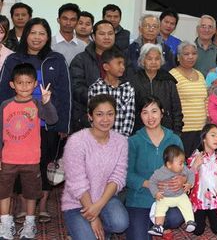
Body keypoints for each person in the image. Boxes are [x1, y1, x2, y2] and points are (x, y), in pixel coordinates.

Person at [0, 17, 71, 224]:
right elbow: (4, 90)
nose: (37, 37)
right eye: (33, 32)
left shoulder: (56, 59)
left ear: (48, 36)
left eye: (42, 33)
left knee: (44, 166)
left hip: (48, 122)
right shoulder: (13, 59)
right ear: (26, 35)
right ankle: (23, 208)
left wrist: (63, 125)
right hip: (17, 124)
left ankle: (42, 208)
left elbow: (65, 93)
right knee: (19, 166)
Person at [0, 63, 58, 239]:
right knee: (3, 191)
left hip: (31, 159)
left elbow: (53, 119)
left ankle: (30, 223)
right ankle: (5, 224)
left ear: (35, 84)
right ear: (12, 84)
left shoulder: (38, 103)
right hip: (8, 158)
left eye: (28, 82)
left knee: (31, 192)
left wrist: (47, 103)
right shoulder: (5, 105)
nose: (24, 86)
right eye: (20, 82)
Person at [62, 94, 129, 240]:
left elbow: (117, 177)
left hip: (105, 199)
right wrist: (93, 218)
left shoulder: (121, 141)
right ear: (90, 116)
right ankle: (83, 229)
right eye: (99, 114)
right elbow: (77, 183)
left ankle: (97, 230)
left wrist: (98, 206)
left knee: (121, 223)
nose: (105, 119)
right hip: (77, 202)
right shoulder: (77, 141)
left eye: (110, 114)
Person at [126, 96, 186, 240]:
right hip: (140, 198)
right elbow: (127, 175)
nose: (150, 117)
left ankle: (158, 225)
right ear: (140, 115)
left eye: (154, 111)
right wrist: (148, 183)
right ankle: (147, 225)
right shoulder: (133, 141)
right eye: (145, 112)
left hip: (168, 197)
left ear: (162, 112)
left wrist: (182, 178)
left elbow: (184, 168)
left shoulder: (174, 139)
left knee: (176, 218)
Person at [70, 20, 115, 133]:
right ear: (93, 37)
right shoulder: (80, 59)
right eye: (102, 34)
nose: (106, 37)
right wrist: (100, 102)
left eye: (110, 33)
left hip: (115, 119)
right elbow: (76, 87)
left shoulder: (122, 60)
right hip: (86, 118)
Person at [130, 43, 183, 135]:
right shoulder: (134, 81)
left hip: (166, 130)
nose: (153, 62)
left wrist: (177, 132)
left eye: (157, 59)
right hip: (140, 131)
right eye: (149, 59)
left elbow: (176, 109)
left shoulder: (168, 80)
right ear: (143, 61)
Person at [187, 124, 217, 236]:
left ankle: (211, 216)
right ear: (204, 138)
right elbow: (187, 179)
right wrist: (194, 166)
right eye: (213, 135)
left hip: (215, 202)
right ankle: (197, 216)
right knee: (197, 231)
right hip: (199, 201)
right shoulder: (196, 156)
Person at [170, 41, 207, 157]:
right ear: (178, 57)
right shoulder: (172, 75)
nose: (191, 57)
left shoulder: (200, 75)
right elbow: (170, 104)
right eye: (186, 54)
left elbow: (205, 100)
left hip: (201, 130)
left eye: (194, 53)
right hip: (183, 130)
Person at [148, 145, 195, 237]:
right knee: (160, 208)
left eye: (183, 163)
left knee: (187, 204)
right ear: (169, 164)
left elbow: (191, 174)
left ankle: (190, 221)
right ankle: (158, 226)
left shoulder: (183, 169)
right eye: (180, 163)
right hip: (165, 197)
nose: (183, 166)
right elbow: (152, 182)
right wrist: (156, 193)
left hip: (180, 195)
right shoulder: (159, 173)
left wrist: (189, 183)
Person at [88, 46, 135, 136]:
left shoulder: (128, 89)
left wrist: (121, 140)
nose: (122, 67)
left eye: (123, 64)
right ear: (106, 67)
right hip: (99, 138)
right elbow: (91, 116)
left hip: (121, 139)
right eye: (118, 63)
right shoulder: (95, 88)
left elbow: (129, 117)